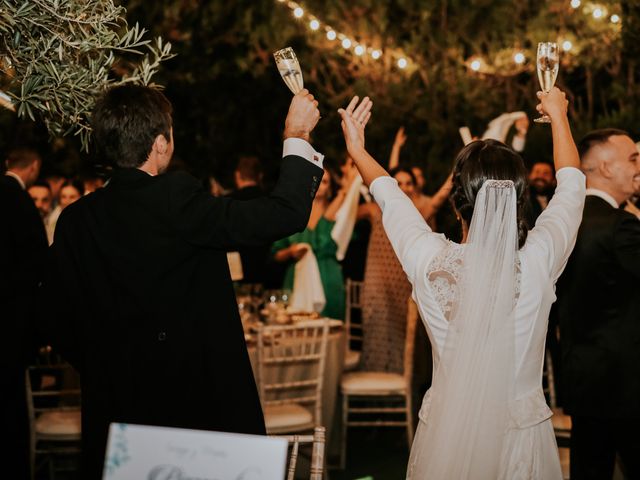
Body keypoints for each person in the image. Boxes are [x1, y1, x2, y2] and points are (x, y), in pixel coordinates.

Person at [38, 85, 322, 479]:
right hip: (195, 422)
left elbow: (55, 318)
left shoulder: (74, 221)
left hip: (115, 420)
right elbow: (282, 215)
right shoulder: (175, 197)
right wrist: (296, 135)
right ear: (159, 144)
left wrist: (107, 366)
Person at [337, 87, 584, 478]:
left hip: (444, 439)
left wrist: (358, 149)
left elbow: (390, 197)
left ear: (455, 204)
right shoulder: (538, 261)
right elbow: (571, 186)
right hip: (522, 442)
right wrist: (559, 116)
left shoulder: (428, 259)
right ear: (518, 203)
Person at [556, 128, 640, 480]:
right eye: (633, 159)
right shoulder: (620, 227)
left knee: (589, 469)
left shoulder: (562, 222)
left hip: (584, 379)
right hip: (627, 385)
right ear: (605, 167)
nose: (639, 167)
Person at [0, 148, 48, 479]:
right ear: (33, 168)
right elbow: (40, 264)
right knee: (13, 404)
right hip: (13, 322)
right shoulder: (20, 203)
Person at [272, 167, 351, 319]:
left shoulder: (339, 212)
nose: (320, 185)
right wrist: (290, 251)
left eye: (325, 181)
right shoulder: (294, 214)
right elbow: (276, 253)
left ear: (329, 186)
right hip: (297, 277)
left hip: (328, 278)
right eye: (316, 180)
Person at [227, 156, 269, 284]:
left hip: (236, 270)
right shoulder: (270, 201)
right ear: (260, 176)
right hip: (267, 267)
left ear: (237, 175)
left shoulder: (227, 203)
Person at [525, 161, 556, 227]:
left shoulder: (557, 201)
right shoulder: (520, 201)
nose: (540, 176)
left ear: (554, 180)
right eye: (537, 172)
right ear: (529, 176)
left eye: (546, 173)